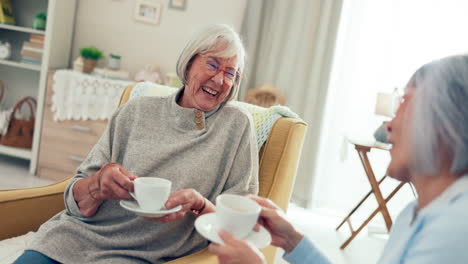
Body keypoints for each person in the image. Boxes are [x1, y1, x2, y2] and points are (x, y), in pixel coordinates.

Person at [14, 24, 259, 264]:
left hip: (144, 255)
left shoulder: (237, 126)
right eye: (213, 64)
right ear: (189, 62)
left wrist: (200, 204)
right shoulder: (135, 111)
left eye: (230, 73)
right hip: (72, 239)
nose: (219, 79)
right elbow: (76, 200)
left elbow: (240, 223)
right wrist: (97, 185)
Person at [208, 55, 468, 264]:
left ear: (448, 124)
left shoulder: (456, 229)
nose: (389, 124)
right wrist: (292, 240)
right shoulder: (412, 213)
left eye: (406, 103)